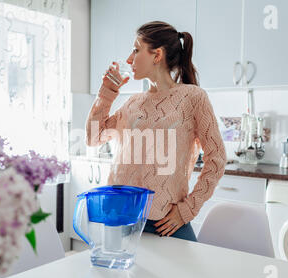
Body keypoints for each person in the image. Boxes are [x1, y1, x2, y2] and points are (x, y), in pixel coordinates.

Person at [85, 21, 226, 242]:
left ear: (156, 54)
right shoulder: (133, 102)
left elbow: (216, 159)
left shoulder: (193, 97)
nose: (130, 59)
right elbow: (94, 138)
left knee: (183, 277)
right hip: (122, 217)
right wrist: (107, 93)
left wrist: (187, 209)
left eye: (136, 49)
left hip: (165, 223)